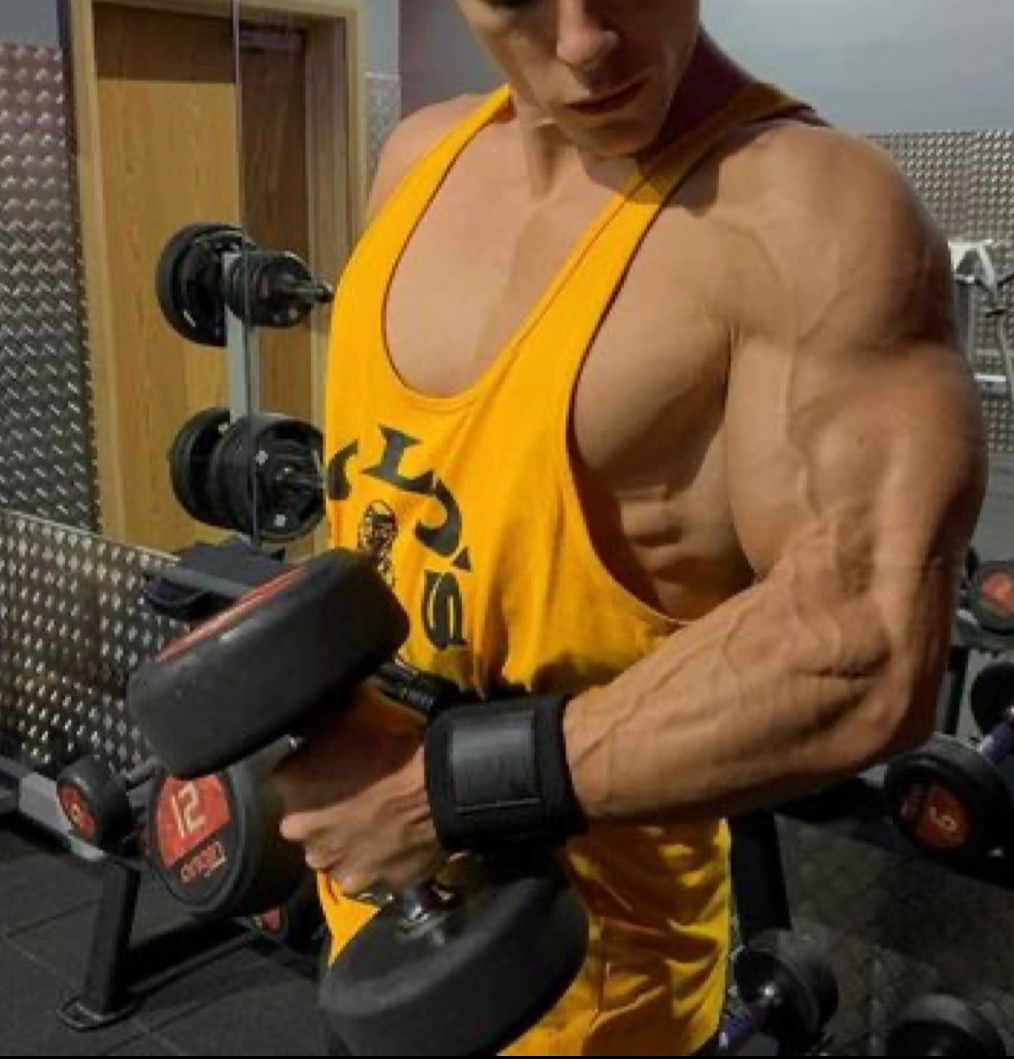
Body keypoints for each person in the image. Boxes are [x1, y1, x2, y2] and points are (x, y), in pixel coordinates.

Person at [274, 2, 987, 1054]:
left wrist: (438, 793)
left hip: (593, 995)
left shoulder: (810, 216)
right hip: (371, 929)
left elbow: (861, 650)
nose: (584, 42)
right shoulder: (418, 159)